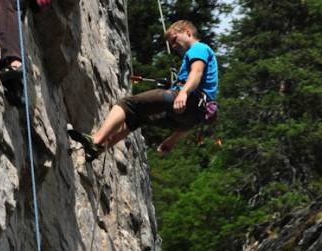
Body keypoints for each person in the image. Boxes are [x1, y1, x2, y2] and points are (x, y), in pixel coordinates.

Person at [68, 20, 218, 159]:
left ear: (188, 32)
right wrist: (172, 141)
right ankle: (98, 149)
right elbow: (189, 122)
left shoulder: (198, 48)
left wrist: (183, 92)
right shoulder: (201, 52)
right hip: (193, 116)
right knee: (138, 118)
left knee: (127, 104)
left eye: (174, 39)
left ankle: (95, 141)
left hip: (188, 100)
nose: (173, 46)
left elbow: (196, 72)